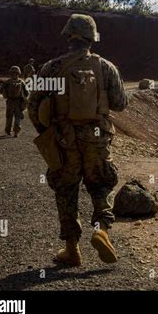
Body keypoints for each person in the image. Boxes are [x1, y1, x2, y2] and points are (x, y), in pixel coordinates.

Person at [28, 14, 129, 267]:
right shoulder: (106, 67)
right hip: (97, 139)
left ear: (68, 35)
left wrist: (47, 132)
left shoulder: (51, 67)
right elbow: (120, 104)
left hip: (65, 139)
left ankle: (72, 249)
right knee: (101, 184)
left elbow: (33, 106)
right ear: (92, 37)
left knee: (66, 189)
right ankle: (101, 230)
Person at [0, 66, 29, 137]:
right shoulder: (21, 82)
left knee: (9, 117)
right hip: (18, 102)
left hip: (10, 102)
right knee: (17, 117)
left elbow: (0, 90)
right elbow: (27, 92)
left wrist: (5, 93)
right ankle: (16, 132)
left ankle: (8, 131)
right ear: (19, 73)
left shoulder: (7, 82)